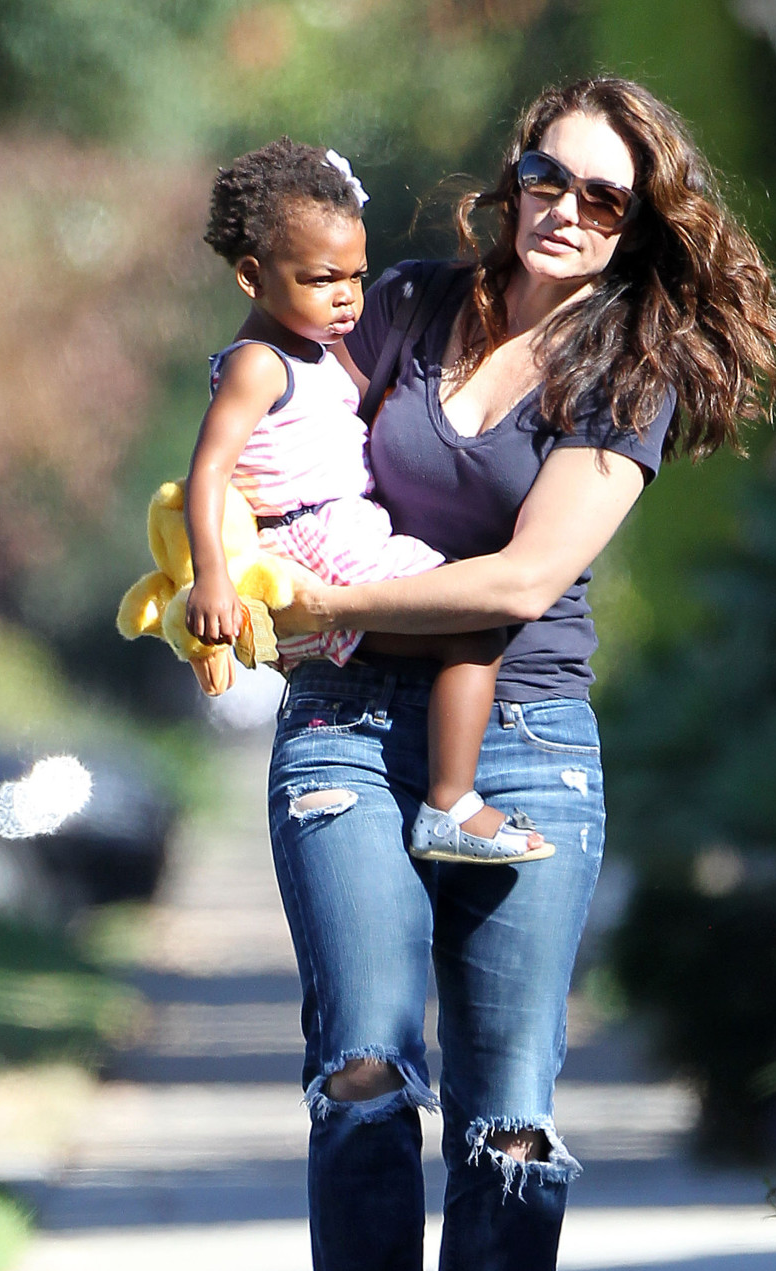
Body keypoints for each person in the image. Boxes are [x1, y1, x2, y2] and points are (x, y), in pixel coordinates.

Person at [268, 77, 776, 1271]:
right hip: (344, 718)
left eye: (605, 196)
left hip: (528, 743)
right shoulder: (402, 304)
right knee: (366, 1058)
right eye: (549, 177)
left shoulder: (630, 370)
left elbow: (520, 581)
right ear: (514, 179)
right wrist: (233, 548)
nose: (567, 209)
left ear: (639, 222)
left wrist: (326, 602)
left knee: (507, 1121)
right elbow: (282, 419)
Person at [184, 137, 550, 863]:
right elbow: (207, 473)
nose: (348, 296)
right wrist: (212, 577)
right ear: (253, 277)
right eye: (322, 279)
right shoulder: (259, 365)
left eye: (356, 275)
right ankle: (451, 804)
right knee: (472, 626)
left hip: (345, 534)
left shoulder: (315, 352)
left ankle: (433, 788)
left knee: (456, 626)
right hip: (312, 543)